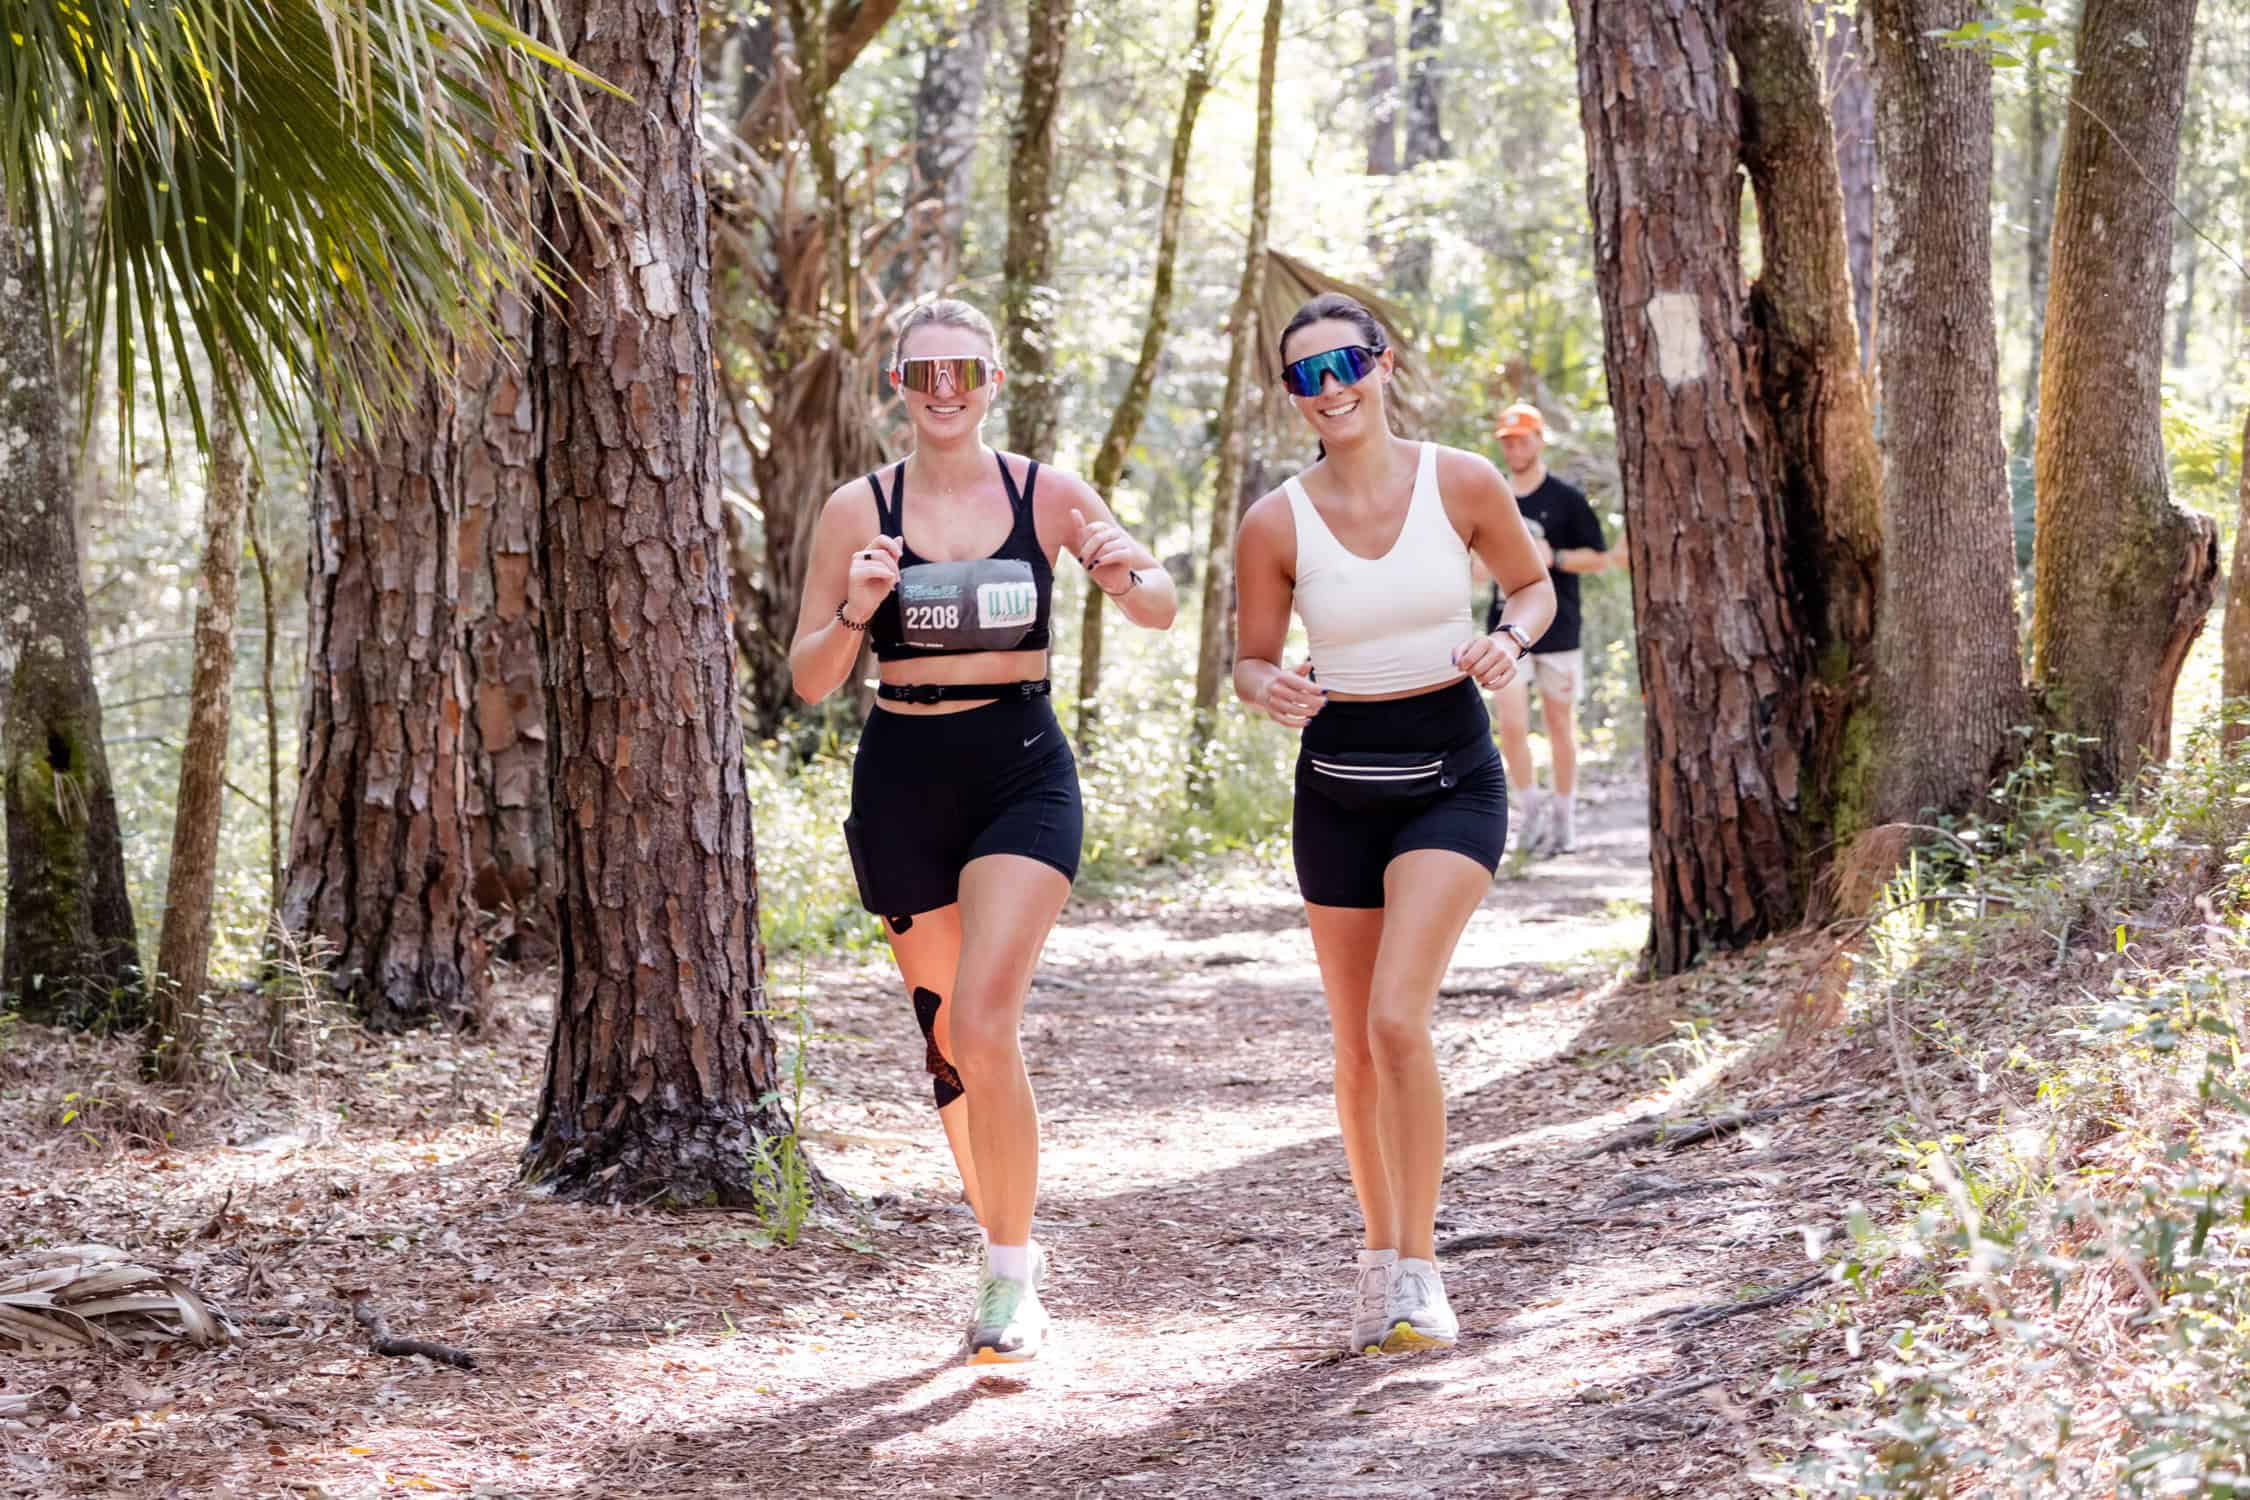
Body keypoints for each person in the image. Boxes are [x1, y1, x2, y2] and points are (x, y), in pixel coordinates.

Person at [789, 299, 1177, 1364]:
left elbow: (1159, 603)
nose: (945, 387)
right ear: (898, 387)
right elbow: (811, 677)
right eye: (924, 372)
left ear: (993, 380)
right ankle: (1002, 1240)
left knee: (989, 1016)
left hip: (1020, 770)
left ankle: (1011, 1277)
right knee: (949, 1042)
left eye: (964, 369)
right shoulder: (854, 509)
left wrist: (1117, 568)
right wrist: (862, 608)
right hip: (903, 774)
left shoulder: (1042, 491)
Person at [1232, 293, 1555, 1356]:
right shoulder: (1274, 521)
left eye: (1345, 365)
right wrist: (1264, 687)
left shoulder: (1459, 480)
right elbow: (1249, 655)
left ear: (1381, 361)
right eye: (1306, 377)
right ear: (1292, 397)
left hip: (1452, 778)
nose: (1331, 390)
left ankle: (1422, 1272)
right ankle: (1378, 1261)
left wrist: (1508, 639)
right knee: (1356, 1044)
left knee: (1397, 1020)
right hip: (1334, 785)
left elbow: (1533, 586)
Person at [1478, 402, 1622, 856]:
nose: (1514, 448)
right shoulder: (1491, 496)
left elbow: (1599, 558)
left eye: (1522, 439)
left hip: (1559, 630)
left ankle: (1565, 814)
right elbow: (1475, 562)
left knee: (1561, 724)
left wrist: (1553, 558)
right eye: (1507, 441)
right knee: (1511, 723)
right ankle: (1530, 812)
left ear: (1540, 440)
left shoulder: (1566, 499)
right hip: (1504, 631)